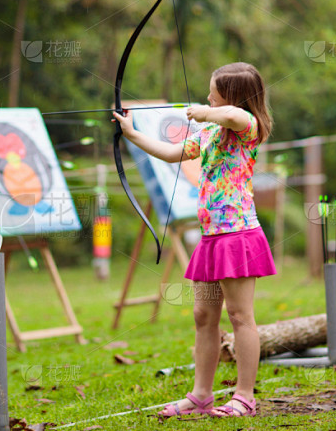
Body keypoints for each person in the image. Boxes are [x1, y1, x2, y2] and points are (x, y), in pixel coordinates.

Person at [113, 62, 277, 418]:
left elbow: (234, 116)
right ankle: (201, 395)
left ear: (231, 97)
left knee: (240, 315)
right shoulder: (207, 135)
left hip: (237, 236)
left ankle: (244, 397)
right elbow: (171, 153)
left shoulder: (249, 127)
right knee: (204, 315)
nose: (206, 98)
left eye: (212, 93)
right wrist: (131, 133)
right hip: (211, 240)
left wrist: (207, 112)